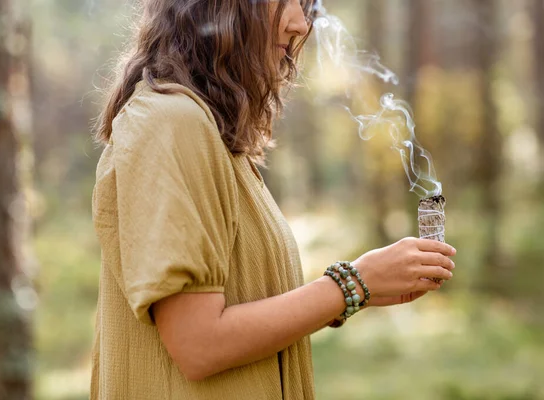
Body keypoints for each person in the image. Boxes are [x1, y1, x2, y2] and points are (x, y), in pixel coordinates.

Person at [89, 0, 456, 399]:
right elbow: (198, 344)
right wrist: (354, 283)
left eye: (304, 4)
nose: (300, 24)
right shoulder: (171, 124)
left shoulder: (212, 134)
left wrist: (354, 295)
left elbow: (239, 305)